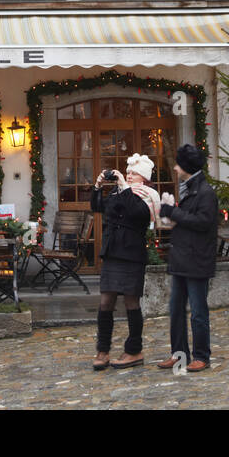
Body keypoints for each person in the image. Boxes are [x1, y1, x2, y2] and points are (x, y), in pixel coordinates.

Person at [90, 153, 162, 370]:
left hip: (132, 254)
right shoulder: (118, 192)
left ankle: (134, 350)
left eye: (134, 173)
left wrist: (124, 187)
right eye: (128, 172)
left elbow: (137, 213)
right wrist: (97, 186)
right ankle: (102, 351)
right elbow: (98, 208)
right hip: (113, 253)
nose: (129, 176)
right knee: (105, 303)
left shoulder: (148, 195)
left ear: (144, 177)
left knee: (131, 303)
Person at [157, 144, 218, 373]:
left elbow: (203, 222)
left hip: (197, 260)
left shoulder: (205, 192)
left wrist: (172, 212)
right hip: (182, 259)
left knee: (198, 312)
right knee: (176, 310)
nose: (174, 168)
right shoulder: (190, 189)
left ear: (186, 167)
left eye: (177, 164)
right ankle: (179, 353)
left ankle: (202, 355)